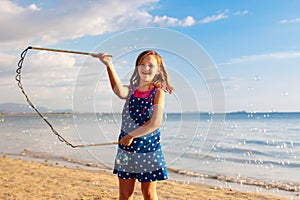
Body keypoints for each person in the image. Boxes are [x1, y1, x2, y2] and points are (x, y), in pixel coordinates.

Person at [94, 50, 173, 200]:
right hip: (126, 148)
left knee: (148, 194)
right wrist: (108, 65)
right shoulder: (131, 90)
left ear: (158, 70)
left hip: (148, 149)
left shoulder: (158, 92)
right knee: (125, 194)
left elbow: (155, 122)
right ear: (137, 68)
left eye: (151, 65)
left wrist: (131, 135)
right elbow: (119, 91)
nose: (146, 68)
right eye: (142, 64)